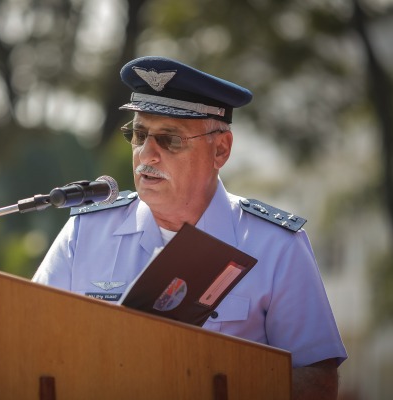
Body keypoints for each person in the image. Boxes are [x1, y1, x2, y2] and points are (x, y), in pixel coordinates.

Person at [32, 56, 347, 399]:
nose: (146, 155)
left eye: (169, 140)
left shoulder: (275, 245)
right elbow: (32, 345)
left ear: (221, 150)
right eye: (139, 135)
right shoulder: (85, 233)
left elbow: (318, 382)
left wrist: (200, 382)